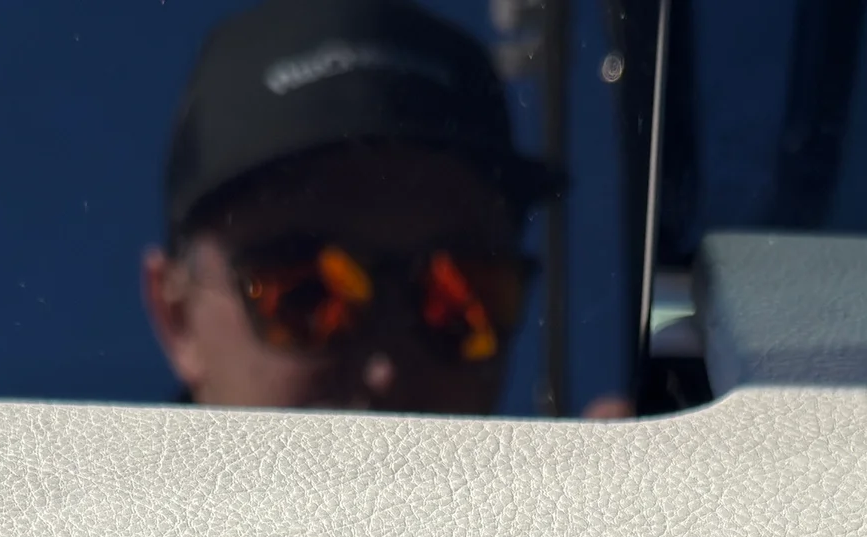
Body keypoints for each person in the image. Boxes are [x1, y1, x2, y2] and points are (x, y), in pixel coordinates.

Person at [143, 0, 566, 416]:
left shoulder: (583, 460)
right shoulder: (101, 464)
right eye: (307, 299)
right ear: (177, 318)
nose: (385, 372)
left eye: (459, 300)